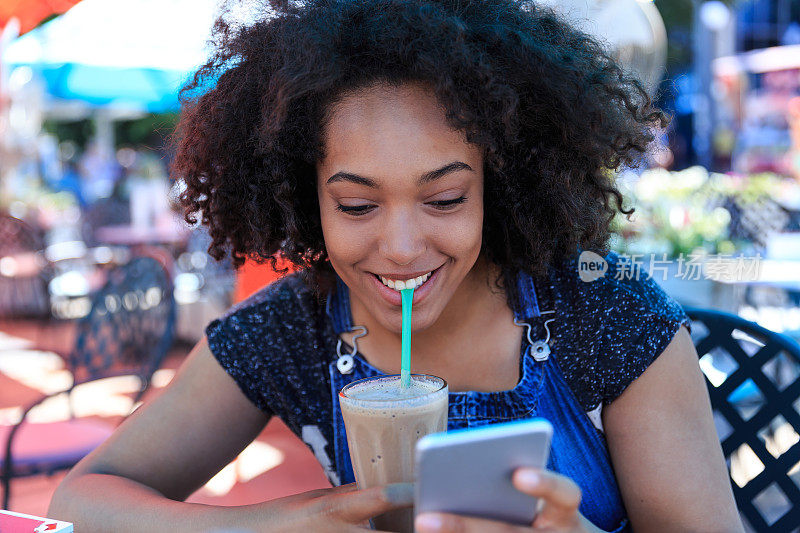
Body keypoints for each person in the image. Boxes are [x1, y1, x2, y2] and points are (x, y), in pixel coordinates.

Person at [48, 1, 743, 531]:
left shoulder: (608, 314)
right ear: (304, 192)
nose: (403, 246)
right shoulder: (296, 329)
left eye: (443, 198)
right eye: (356, 204)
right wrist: (269, 521)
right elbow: (82, 496)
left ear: (496, 184)